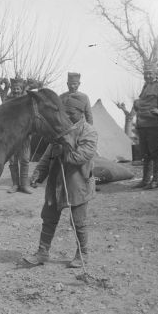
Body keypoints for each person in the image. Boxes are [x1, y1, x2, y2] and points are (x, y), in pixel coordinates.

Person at [24, 107, 98, 269]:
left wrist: (63, 151)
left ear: (81, 113)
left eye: (71, 112)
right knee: (48, 217)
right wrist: (38, 173)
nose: (68, 115)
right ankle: (42, 252)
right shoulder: (60, 130)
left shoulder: (89, 132)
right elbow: (47, 156)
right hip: (56, 182)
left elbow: (82, 156)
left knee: (78, 221)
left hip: (78, 183)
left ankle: (82, 253)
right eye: (66, 112)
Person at [7, 77, 34, 194]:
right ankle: (15, 184)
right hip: (11, 136)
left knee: (25, 160)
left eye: (18, 88)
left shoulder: (27, 101)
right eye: (14, 89)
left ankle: (24, 185)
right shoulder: (7, 100)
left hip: (25, 135)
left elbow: (32, 117)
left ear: (22, 88)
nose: (16, 91)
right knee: (12, 161)